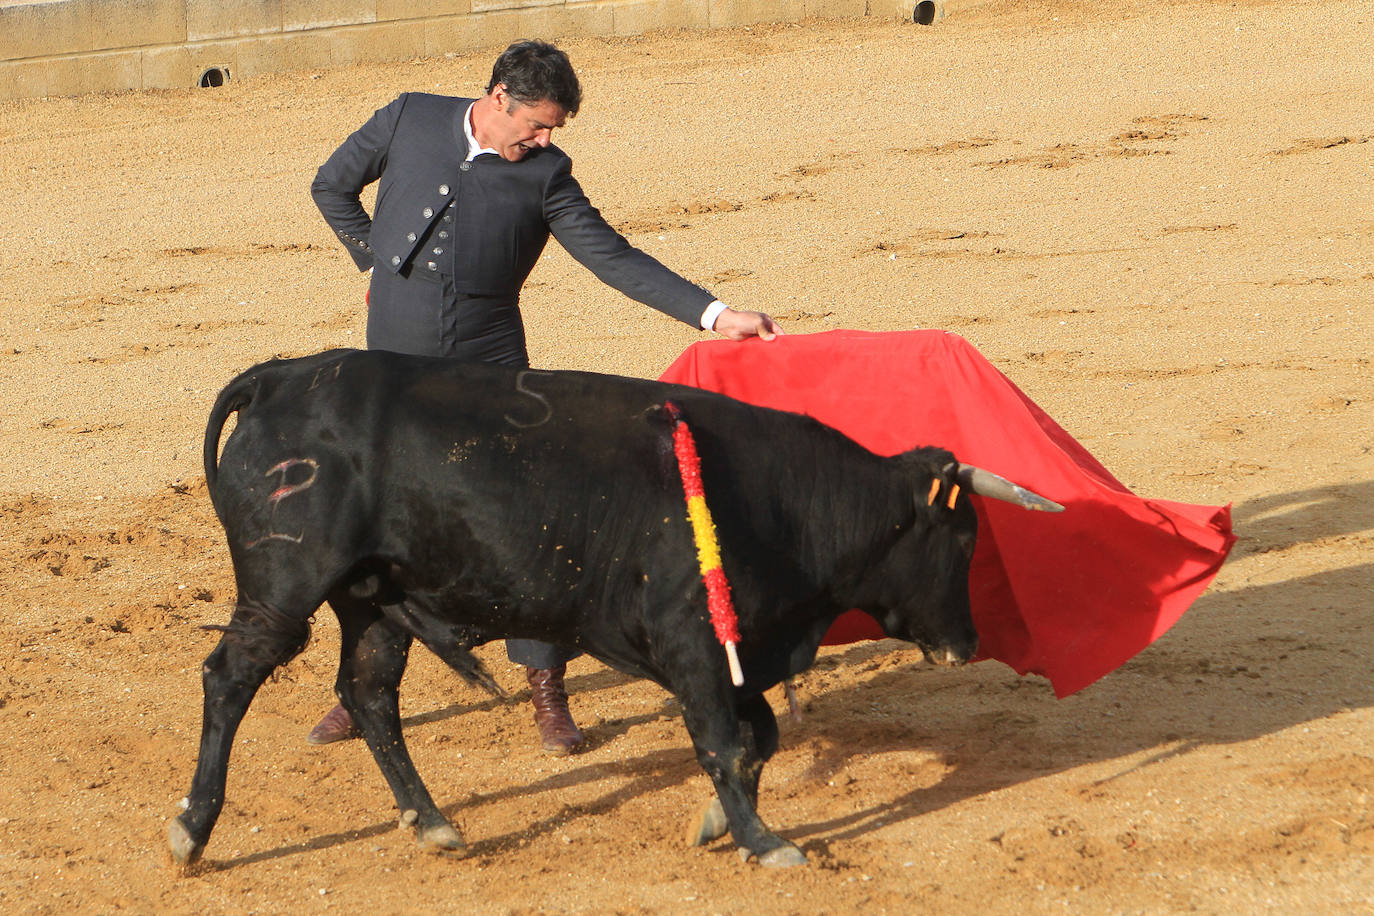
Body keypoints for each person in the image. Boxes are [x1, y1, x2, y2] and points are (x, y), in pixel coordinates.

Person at [308, 39, 781, 755]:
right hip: (394, 368)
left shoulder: (548, 175)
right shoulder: (409, 118)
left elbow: (612, 255)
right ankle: (360, 688)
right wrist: (372, 255)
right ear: (498, 98)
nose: (545, 139)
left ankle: (546, 688)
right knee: (382, 525)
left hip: (491, 365)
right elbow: (331, 185)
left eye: (554, 129)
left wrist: (716, 315)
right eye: (537, 124)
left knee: (525, 525)